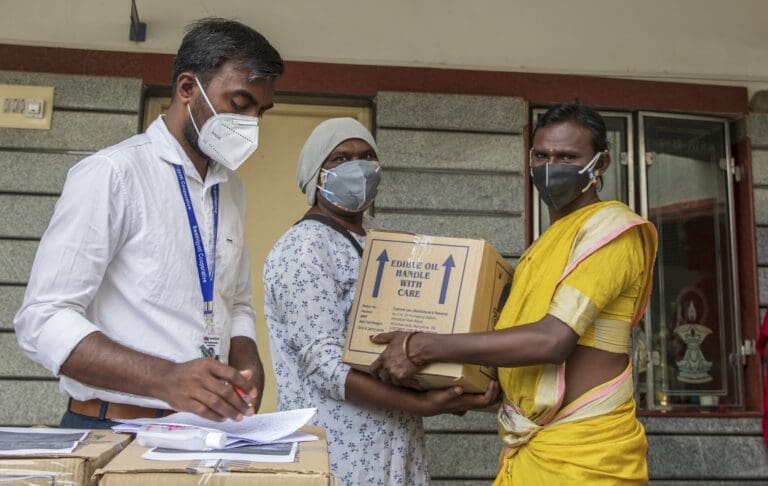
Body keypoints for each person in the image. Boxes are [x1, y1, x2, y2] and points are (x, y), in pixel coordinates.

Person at [14, 18, 283, 428]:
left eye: (260, 112)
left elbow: (237, 302)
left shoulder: (231, 189)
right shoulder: (112, 173)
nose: (251, 124)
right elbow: (43, 318)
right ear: (187, 89)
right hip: (114, 428)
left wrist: (246, 360)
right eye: (240, 104)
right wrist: (165, 378)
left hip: (206, 432)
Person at [371, 102, 659, 485]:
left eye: (567, 157)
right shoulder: (545, 245)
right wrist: (471, 384)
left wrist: (425, 347)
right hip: (532, 447)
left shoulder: (611, 233)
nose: (550, 166)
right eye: (541, 155)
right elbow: (518, 347)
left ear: (601, 164)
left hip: (586, 455)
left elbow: (552, 341)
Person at [263, 117, 498, 485]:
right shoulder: (306, 247)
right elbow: (323, 363)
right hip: (336, 453)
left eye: (366, 156)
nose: (357, 166)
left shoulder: (378, 244)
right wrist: (422, 405)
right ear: (316, 174)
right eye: (340, 158)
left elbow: (399, 345)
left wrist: (452, 386)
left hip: (392, 444)